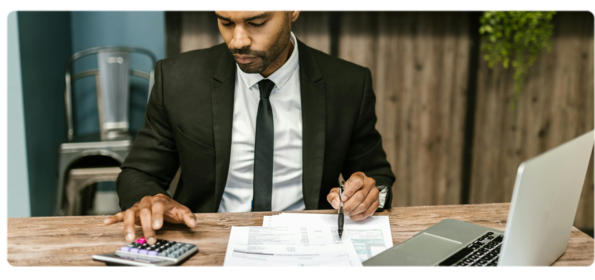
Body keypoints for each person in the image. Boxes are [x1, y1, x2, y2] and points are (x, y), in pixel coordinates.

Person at [104, 8, 395, 245]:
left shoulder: (348, 84)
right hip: (206, 240)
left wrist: (369, 195)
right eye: (226, 22)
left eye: (256, 22)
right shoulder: (178, 79)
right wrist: (152, 199)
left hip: (309, 244)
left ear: (292, 10)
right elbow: (139, 172)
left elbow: (377, 176)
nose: (238, 40)